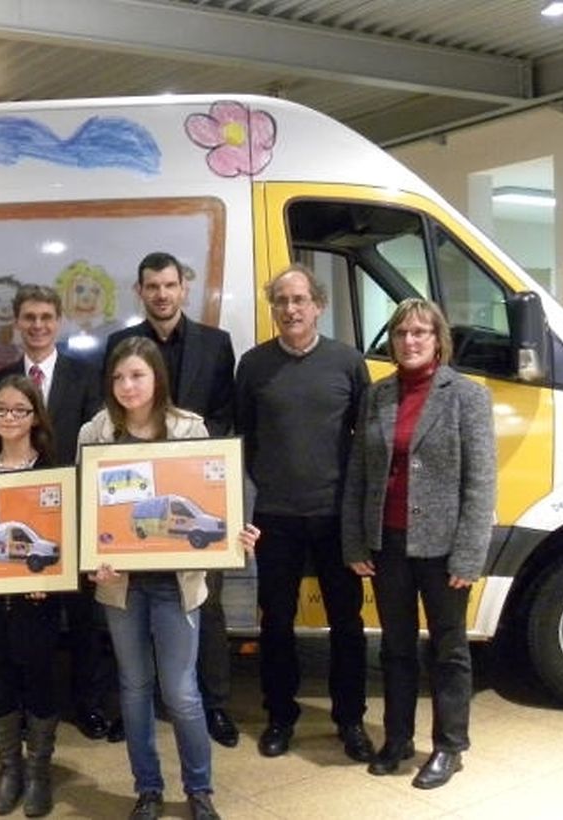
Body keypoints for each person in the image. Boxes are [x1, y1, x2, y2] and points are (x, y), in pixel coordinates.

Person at [80, 336, 258, 820]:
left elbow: (215, 497)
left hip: (176, 583)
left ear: (157, 377)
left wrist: (236, 532)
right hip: (121, 585)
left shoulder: (190, 428)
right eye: (118, 377)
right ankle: (148, 789)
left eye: (137, 375)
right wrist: (91, 558)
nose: (127, 386)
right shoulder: (95, 432)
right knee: (134, 687)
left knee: (181, 691)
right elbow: (85, 509)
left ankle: (199, 790)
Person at [342, 298, 496, 790]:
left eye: (420, 332)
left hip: (444, 548)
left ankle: (450, 746)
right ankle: (398, 739)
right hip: (386, 542)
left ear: (437, 339)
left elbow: (481, 483)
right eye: (401, 332)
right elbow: (359, 474)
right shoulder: (378, 395)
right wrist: (355, 542)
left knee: (449, 649)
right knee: (395, 647)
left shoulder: (467, 396)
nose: (409, 341)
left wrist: (469, 555)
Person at [235, 265, 374, 761]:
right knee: (275, 622)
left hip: (336, 517)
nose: (290, 309)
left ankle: (350, 719)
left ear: (319, 305)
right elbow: (244, 437)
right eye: (281, 301)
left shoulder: (348, 363)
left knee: (347, 622)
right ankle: (280, 716)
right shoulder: (253, 365)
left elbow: (365, 443)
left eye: (299, 300)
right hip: (275, 515)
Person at [105, 251, 238, 748]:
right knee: (128, 601)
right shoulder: (120, 345)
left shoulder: (217, 343)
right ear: (139, 291)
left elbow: (224, 414)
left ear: (184, 287)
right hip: (139, 504)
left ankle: (215, 704)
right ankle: (133, 708)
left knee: (205, 601)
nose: (161, 294)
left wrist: (187, 466)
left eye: (169, 285)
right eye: (152, 286)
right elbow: (113, 414)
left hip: (194, 497)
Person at [0, 284, 110, 741]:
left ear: (58, 321)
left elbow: (97, 447)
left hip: (76, 516)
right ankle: (29, 706)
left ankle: (89, 705)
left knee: (85, 620)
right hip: (22, 522)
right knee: (28, 623)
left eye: (46, 317)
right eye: (29, 317)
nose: (38, 325)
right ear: (16, 322)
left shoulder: (88, 376)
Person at [0, 375, 63, 817]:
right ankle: (10, 769)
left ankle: (39, 771)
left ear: (35, 416)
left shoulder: (53, 474)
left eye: (19, 410)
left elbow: (63, 542)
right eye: (1, 409)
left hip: (37, 603)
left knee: (40, 679)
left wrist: (53, 577)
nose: (9, 417)